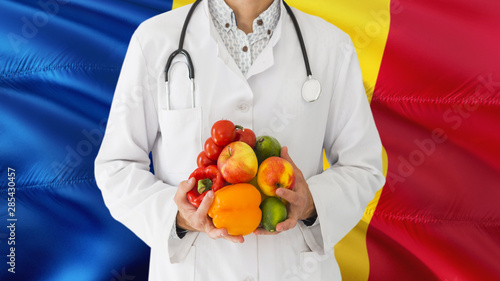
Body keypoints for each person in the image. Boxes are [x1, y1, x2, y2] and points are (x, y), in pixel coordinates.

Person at [95, 0, 385, 280]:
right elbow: (116, 166)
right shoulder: (154, 40)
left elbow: (362, 165)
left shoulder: (331, 46)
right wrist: (178, 217)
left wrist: (312, 205)